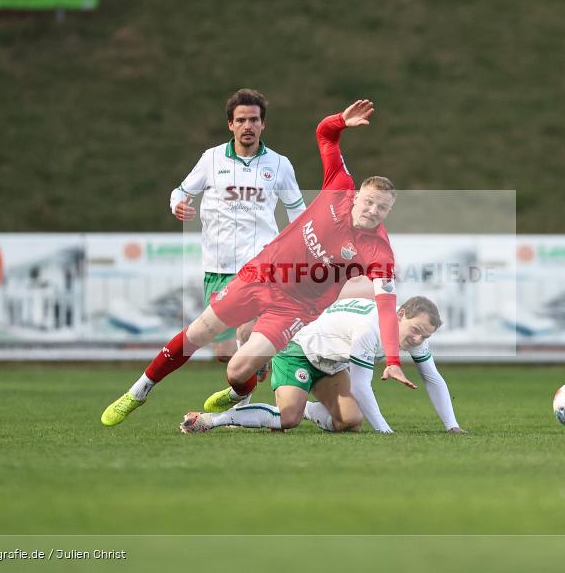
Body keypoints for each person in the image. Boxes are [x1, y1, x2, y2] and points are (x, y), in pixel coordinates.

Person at [101, 100, 411, 426]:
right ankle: (139, 391)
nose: (373, 211)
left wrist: (392, 359)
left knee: (236, 369)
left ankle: (238, 393)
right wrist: (340, 121)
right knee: (201, 331)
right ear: (358, 195)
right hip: (262, 273)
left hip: (294, 308)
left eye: (383, 208)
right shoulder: (340, 187)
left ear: (388, 212)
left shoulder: (379, 252)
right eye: (370, 202)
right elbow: (325, 135)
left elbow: (387, 304)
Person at [180, 296, 465, 434]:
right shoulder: (371, 329)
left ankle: (306, 407)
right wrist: (385, 432)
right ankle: (211, 420)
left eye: (424, 336)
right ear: (400, 314)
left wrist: (452, 427)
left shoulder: (414, 337)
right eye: (415, 330)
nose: (417, 339)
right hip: (297, 349)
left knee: (350, 422)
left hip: (331, 363)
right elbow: (363, 385)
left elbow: (433, 379)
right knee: (286, 419)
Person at [171, 88, 305, 369]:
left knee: (250, 335)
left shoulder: (280, 164)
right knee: (224, 351)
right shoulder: (211, 159)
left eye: (254, 120)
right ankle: (254, 373)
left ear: (263, 124)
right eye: (242, 120)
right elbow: (180, 192)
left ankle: (247, 399)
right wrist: (178, 205)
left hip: (261, 266)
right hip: (219, 267)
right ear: (230, 124)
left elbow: (298, 213)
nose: (248, 126)